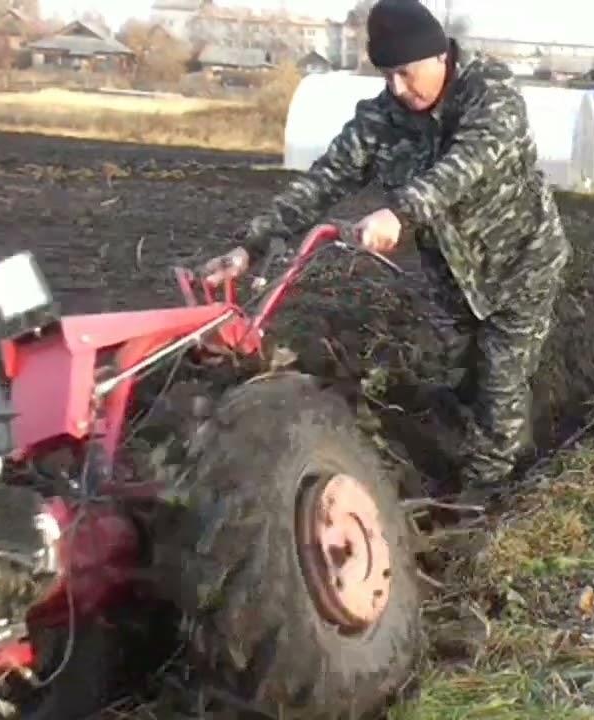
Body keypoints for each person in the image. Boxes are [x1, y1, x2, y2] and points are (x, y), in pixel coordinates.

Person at [202, 0, 570, 505]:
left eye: (404, 72)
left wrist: (399, 212)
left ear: (438, 56)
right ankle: (477, 446)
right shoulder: (382, 118)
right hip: (451, 278)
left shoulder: (492, 94)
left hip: (519, 266)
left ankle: (489, 500)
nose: (397, 87)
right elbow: (322, 182)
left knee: (500, 384)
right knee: (460, 376)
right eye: (386, 75)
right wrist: (250, 244)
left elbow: (466, 165)